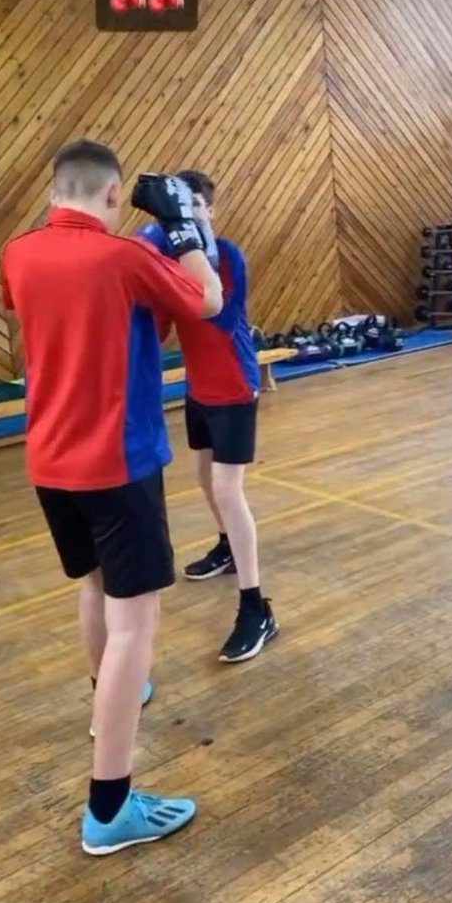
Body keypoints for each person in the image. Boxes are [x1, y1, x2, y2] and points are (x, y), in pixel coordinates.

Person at [0, 140, 223, 855]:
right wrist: (183, 227)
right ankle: (109, 809)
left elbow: (69, 296)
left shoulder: (18, 253)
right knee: (138, 625)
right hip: (118, 465)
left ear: (56, 189)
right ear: (112, 193)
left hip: (49, 463)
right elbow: (209, 300)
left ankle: (108, 703)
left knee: (95, 587)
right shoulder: (125, 258)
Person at [137, 171, 279, 665]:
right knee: (202, 477)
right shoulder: (178, 262)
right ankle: (226, 545)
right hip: (199, 388)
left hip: (235, 386)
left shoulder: (229, 257)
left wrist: (178, 251)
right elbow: (157, 328)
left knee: (226, 488)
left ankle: (256, 606)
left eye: (197, 205)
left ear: (210, 211)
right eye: (182, 206)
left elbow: (211, 311)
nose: (191, 213)